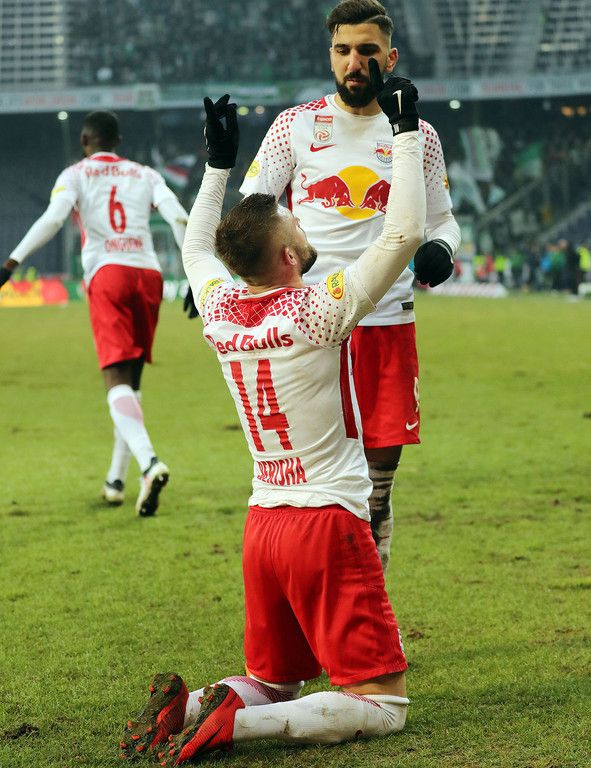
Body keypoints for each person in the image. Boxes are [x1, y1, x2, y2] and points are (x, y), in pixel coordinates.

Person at [120, 65, 425, 763]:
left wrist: (218, 165)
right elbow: (403, 232)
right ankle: (230, 726)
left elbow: (195, 248)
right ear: (289, 254)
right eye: (294, 220)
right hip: (325, 522)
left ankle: (185, 708)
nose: (299, 218)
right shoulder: (319, 309)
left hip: (263, 524)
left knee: (273, 680)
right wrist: (406, 132)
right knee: (383, 705)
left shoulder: (221, 310)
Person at [238, 0, 461, 572]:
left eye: (367, 51)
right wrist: (223, 273)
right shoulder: (295, 125)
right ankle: (323, 593)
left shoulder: (418, 135)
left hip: (387, 321)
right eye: (343, 50)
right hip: (311, 326)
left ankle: (371, 604)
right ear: (330, 55)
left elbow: (442, 220)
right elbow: (252, 213)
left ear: (391, 56)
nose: (354, 63)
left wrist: (442, 249)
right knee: (317, 484)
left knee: (377, 489)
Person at [0, 111, 188, 516]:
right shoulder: (145, 173)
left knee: (115, 380)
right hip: (149, 275)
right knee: (132, 382)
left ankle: (149, 463)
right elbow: (178, 216)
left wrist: (12, 262)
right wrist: (192, 273)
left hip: (108, 272)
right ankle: (116, 480)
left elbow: (54, 218)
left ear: (84, 141)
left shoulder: (76, 174)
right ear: (117, 141)